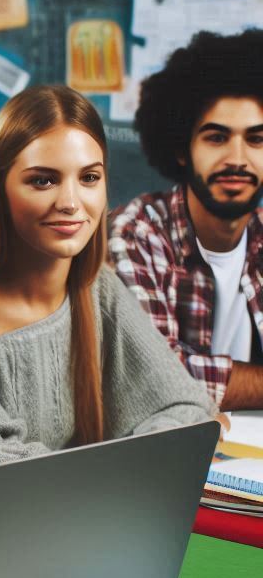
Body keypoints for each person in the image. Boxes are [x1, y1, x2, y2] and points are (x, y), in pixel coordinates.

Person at [0, 84, 214, 471]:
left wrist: (136, 458)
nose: (71, 202)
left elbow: (187, 408)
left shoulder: (97, 290)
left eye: (89, 178)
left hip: (85, 513)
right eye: (43, 180)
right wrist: (131, 466)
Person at [109, 29, 263, 410]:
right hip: (173, 453)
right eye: (216, 138)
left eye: (257, 139)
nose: (238, 159)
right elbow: (155, 374)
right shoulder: (136, 233)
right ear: (181, 148)